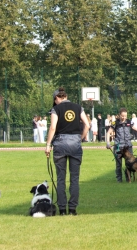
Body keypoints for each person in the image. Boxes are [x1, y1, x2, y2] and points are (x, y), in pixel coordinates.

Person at [44, 87, 90, 215]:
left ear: (57, 98)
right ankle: (73, 209)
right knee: (74, 178)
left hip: (60, 144)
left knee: (60, 178)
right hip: (75, 144)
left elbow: (53, 127)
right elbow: (87, 124)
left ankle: (62, 209)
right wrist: (80, 137)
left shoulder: (56, 109)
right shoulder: (78, 107)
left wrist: (48, 145)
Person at [106, 108, 137, 183]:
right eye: (122, 116)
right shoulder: (115, 123)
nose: (124, 117)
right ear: (119, 115)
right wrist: (108, 143)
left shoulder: (129, 122)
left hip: (128, 146)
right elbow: (108, 133)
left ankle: (128, 179)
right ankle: (119, 180)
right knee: (118, 164)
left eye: (125, 116)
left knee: (131, 163)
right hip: (118, 146)